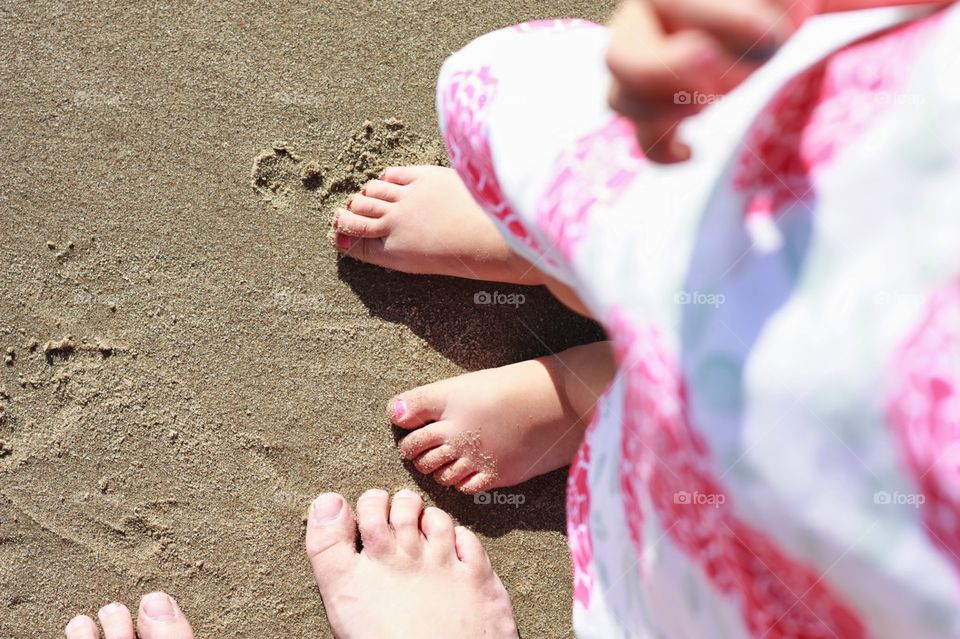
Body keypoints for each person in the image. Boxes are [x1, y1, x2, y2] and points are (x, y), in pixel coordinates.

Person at [67, 0, 960, 636]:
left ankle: (592, 369)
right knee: (677, 234)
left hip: (809, 573)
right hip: (850, 187)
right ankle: (563, 268)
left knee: (711, 311)